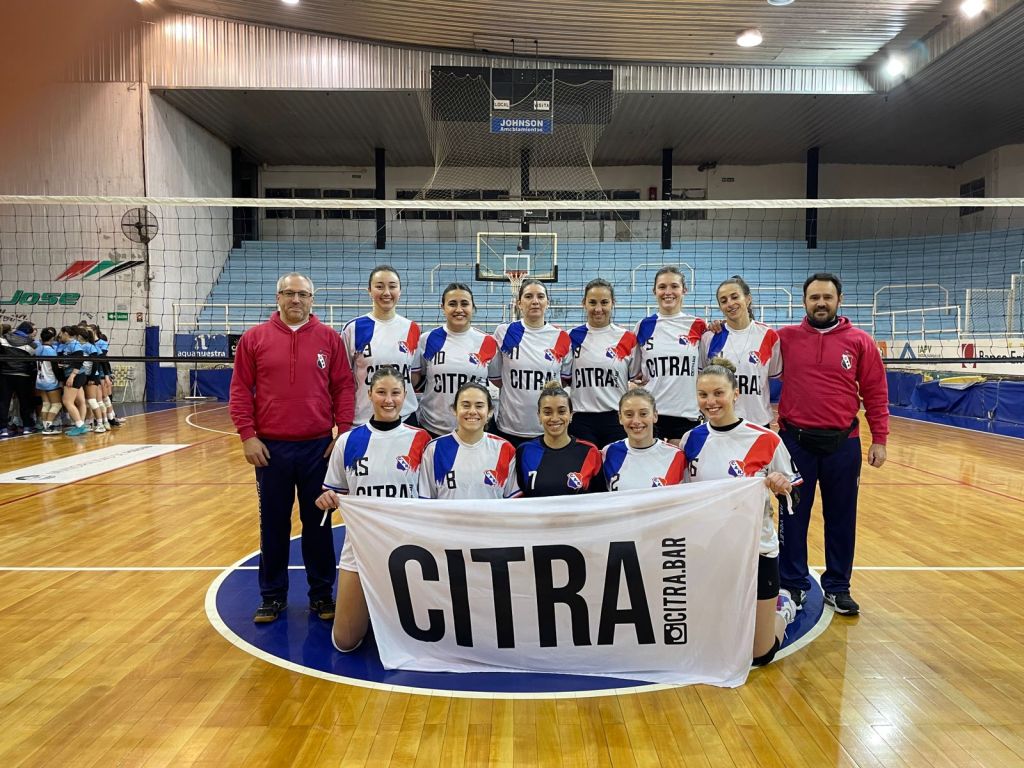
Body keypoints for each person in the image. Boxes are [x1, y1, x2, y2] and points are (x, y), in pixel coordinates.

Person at [229, 272, 356, 624]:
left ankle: (321, 594)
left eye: (302, 294)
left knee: (318, 524)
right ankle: (272, 596)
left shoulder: (329, 339)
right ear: (278, 298)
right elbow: (240, 389)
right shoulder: (254, 338)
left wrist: (343, 433)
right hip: (271, 450)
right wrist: (247, 435)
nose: (295, 299)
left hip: (318, 448)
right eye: (288, 293)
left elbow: (343, 387)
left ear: (312, 299)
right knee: (272, 525)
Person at [776, 272, 889, 616]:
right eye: (814, 298)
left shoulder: (860, 341)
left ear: (839, 300)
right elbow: (746, 342)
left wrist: (880, 439)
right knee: (792, 516)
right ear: (804, 302)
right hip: (795, 443)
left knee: (841, 517)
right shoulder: (784, 338)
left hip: (843, 444)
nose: (821, 303)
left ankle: (838, 587)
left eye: (827, 297)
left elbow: (875, 391)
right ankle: (793, 585)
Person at [682, 357, 802, 666]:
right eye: (703, 395)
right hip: (709, 550)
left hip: (756, 549)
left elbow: (796, 496)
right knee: (711, 642)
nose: (710, 401)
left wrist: (783, 487)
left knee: (760, 654)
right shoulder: (691, 440)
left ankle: (783, 608)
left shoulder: (766, 439)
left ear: (735, 394)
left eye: (718, 393)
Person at [315, 366, 431, 652]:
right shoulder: (348, 441)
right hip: (361, 545)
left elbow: (431, 499)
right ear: (369, 395)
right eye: (381, 392)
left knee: (416, 638)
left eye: (395, 393)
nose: (388, 400)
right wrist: (327, 500)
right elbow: (333, 492)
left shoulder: (421, 440)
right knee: (345, 642)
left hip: (408, 547)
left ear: (405, 395)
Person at [489, 279, 571, 447]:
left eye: (540, 296)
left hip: (547, 429)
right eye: (528, 296)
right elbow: (497, 379)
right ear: (519, 303)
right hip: (509, 428)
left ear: (547, 302)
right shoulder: (504, 332)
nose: (535, 301)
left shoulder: (561, 337)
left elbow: (563, 380)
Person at [634, 266, 708, 444]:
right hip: (652, 414)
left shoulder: (698, 325)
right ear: (654, 291)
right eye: (662, 287)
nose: (668, 292)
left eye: (674, 286)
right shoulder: (643, 326)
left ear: (684, 290)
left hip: (686, 414)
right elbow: (635, 373)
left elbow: (705, 371)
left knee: (683, 462)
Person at [341, 265, 422, 426]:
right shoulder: (353, 328)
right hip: (365, 419)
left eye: (392, 286)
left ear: (400, 291)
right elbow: (344, 380)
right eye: (379, 286)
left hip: (405, 418)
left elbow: (414, 376)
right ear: (369, 291)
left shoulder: (412, 328)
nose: (386, 292)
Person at [563, 278, 639, 448]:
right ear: (584, 303)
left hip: (616, 419)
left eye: (604, 302)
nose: (598, 309)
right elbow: (565, 379)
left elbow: (635, 378)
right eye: (592, 302)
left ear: (613, 303)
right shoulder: (570, 337)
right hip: (581, 419)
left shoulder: (627, 338)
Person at [416, 283, 498, 439]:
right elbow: (419, 378)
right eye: (452, 304)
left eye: (464, 304)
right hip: (434, 428)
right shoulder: (427, 340)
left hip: (476, 429)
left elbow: (497, 380)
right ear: (443, 307)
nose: (459, 309)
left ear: (473, 307)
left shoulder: (487, 342)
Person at [700, 276, 781, 427]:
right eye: (724, 300)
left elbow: (773, 376)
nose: (730, 303)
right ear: (720, 307)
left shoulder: (768, 336)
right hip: (719, 424)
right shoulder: (709, 337)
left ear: (748, 299)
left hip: (757, 424)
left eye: (735, 297)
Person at [419, 381, 521, 500]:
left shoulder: (505, 449)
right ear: (454, 410)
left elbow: (512, 504)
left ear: (490, 412)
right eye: (466, 405)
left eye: (479, 406)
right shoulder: (435, 449)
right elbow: (426, 502)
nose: (472, 411)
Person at [515, 384, 605, 496]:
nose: (555, 418)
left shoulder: (589, 451)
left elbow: (601, 499)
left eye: (561, 411)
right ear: (539, 416)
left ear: (571, 414)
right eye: (547, 412)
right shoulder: (524, 451)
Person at [601, 387, 687, 491]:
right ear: (620, 418)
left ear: (655, 416)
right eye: (629, 415)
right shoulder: (608, 453)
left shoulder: (676, 456)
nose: (636, 421)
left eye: (643, 414)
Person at [0, 321, 40, 435]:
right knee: (25, 402)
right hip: (23, 376)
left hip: (5, 375)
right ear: (29, 332)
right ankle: (27, 426)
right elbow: (33, 363)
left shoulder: (3, 339)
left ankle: (3, 429)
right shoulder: (32, 345)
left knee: (4, 402)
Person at [57, 326, 90, 437]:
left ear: (66, 333)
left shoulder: (74, 344)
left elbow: (79, 361)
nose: (60, 335)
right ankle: (80, 424)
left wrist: (72, 376)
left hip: (75, 375)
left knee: (67, 401)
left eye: (61, 333)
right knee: (80, 401)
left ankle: (80, 426)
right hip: (75, 375)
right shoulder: (67, 345)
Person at [35, 327, 64, 435]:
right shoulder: (50, 350)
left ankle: (45, 427)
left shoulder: (38, 349)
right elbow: (55, 368)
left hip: (40, 380)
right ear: (52, 338)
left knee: (46, 404)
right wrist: (61, 379)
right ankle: (48, 426)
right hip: (50, 380)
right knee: (57, 404)